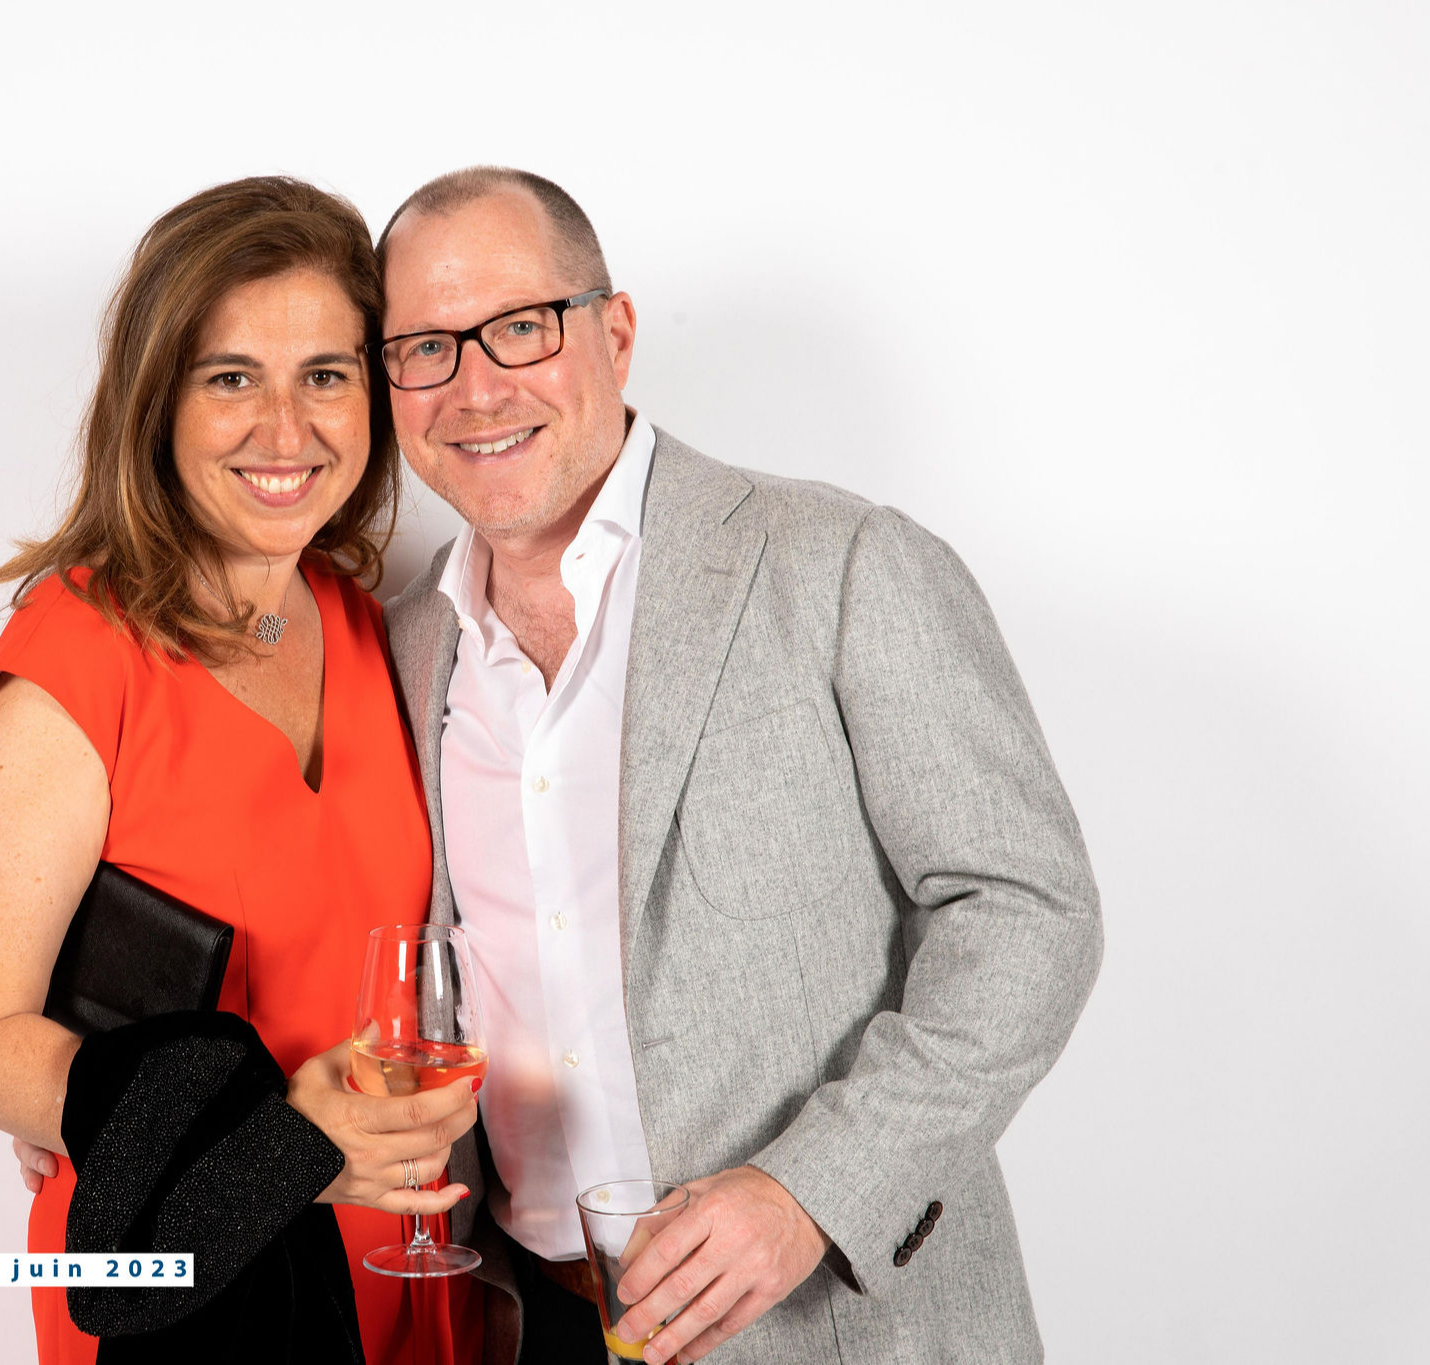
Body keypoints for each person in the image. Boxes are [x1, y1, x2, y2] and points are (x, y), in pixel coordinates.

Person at [372, 168, 1104, 1364]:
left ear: (613, 332)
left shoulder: (840, 562)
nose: (474, 387)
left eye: (519, 326)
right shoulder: (405, 646)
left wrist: (811, 1188)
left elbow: (1026, 910)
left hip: (836, 1327)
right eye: (424, 349)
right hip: (530, 1322)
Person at [0, 175, 482, 1365]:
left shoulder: (363, 622)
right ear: (154, 403)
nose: (285, 429)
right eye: (230, 379)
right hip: (199, 1291)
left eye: (323, 375)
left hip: (394, 1256)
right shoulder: (78, 659)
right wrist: (274, 1145)